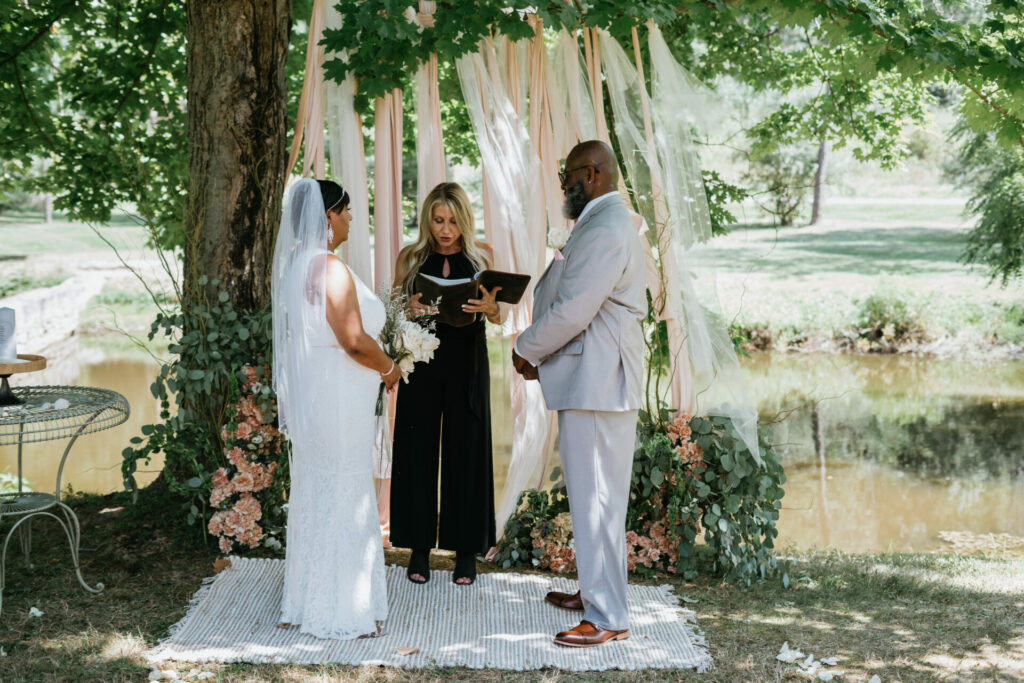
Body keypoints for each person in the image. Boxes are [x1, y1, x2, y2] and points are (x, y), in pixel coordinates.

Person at [512, 140, 646, 648]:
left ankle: (607, 616)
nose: (563, 184)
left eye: (568, 174)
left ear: (591, 173)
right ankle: (595, 592)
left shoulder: (607, 228)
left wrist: (528, 349)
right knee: (596, 498)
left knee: (597, 500)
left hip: (598, 382)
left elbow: (574, 309)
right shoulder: (604, 222)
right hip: (593, 379)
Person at [271, 177, 401, 640]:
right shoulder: (330, 269)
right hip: (340, 399)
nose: (349, 219)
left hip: (317, 398)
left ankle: (306, 601)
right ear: (327, 216)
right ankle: (346, 609)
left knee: (316, 489)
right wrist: (389, 368)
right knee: (347, 490)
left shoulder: (295, 266)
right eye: (345, 211)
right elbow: (352, 339)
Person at [389, 182, 502, 586]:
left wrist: (491, 308)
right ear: (427, 220)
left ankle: (465, 552)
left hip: (468, 361)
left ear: (464, 219)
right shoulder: (411, 257)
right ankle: (418, 549)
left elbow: (498, 316)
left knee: (468, 449)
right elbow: (393, 312)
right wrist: (409, 306)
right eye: (438, 220)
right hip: (423, 359)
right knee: (416, 449)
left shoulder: (481, 257)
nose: (445, 229)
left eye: (453, 220)